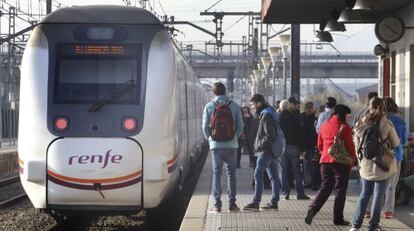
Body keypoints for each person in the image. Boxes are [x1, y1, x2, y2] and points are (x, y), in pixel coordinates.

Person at [350, 97, 400, 231]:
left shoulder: (361, 123)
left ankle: (355, 225)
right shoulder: (387, 123)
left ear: (369, 107)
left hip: (366, 165)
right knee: (378, 196)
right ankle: (373, 226)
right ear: (382, 107)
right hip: (382, 166)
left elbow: (356, 144)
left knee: (364, 194)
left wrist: (360, 160)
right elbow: (396, 143)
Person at [305, 104, 357, 226]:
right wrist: (353, 159)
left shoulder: (324, 125)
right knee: (340, 190)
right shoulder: (345, 127)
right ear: (342, 115)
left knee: (325, 188)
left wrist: (326, 154)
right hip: (340, 163)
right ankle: (338, 219)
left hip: (325, 161)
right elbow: (350, 146)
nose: (348, 118)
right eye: (348, 115)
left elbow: (320, 145)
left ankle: (313, 209)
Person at [202, 82, 243, 212]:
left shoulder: (209, 106)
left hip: (216, 146)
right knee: (231, 174)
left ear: (213, 93)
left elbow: (204, 127)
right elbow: (240, 125)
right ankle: (232, 204)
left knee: (217, 173)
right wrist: (234, 137)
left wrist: (210, 139)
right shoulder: (235, 106)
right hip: (231, 145)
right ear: (225, 92)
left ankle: (217, 204)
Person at [243, 94, 281, 210]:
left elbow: (269, 135)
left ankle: (256, 202)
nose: (252, 107)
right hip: (273, 150)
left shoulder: (265, 115)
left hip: (265, 151)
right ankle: (274, 202)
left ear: (258, 103)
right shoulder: (270, 112)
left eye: (253, 104)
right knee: (274, 177)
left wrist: (258, 145)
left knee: (257, 175)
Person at [382, 97, 407, 219]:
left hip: (380, 156)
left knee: (377, 183)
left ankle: (369, 210)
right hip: (396, 156)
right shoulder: (400, 121)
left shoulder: (379, 120)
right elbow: (403, 140)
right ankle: (388, 211)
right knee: (391, 184)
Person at [279, 99, 310, 200]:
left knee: (283, 170)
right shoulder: (294, 117)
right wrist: (303, 148)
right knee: (297, 170)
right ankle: (300, 193)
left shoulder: (278, 117)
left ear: (280, 107)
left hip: (282, 147)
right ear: (288, 107)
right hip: (294, 146)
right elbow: (300, 133)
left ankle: (285, 193)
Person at [300, 102, 320, 190]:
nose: (310, 109)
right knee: (306, 165)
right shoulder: (303, 118)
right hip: (306, 145)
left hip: (312, 145)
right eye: (308, 108)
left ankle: (310, 182)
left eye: (311, 108)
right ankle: (308, 182)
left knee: (310, 165)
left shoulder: (314, 118)